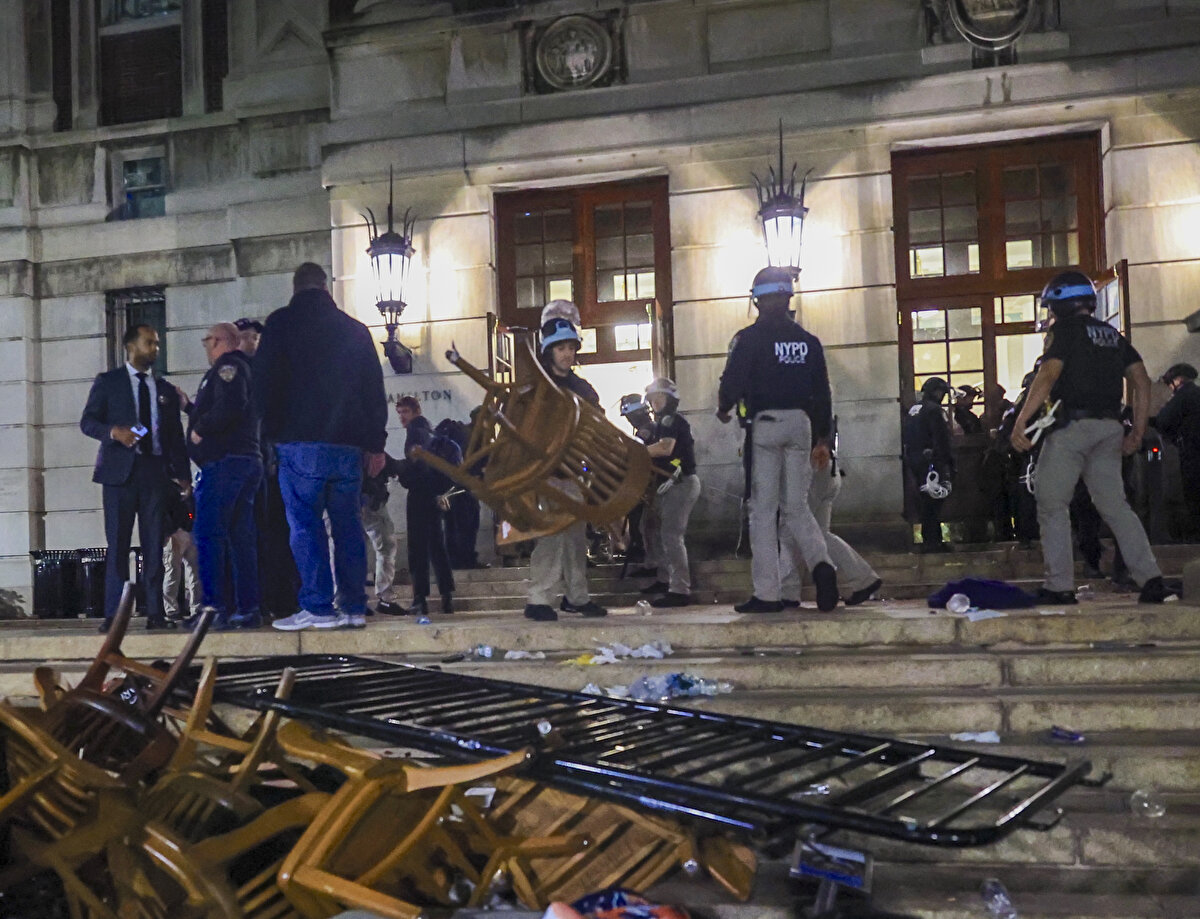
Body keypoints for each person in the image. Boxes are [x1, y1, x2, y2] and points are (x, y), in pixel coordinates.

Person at [1010, 271, 1174, 604]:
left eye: (1051, 306)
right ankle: (1151, 580)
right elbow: (1141, 381)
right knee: (1116, 507)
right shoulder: (1112, 334)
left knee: (1052, 504)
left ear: (1061, 303)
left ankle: (1059, 586)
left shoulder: (1064, 331)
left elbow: (1049, 374)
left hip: (1073, 428)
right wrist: (1138, 431)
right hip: (1109, 428)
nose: (1050, 314)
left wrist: (1021, 422)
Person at [255, 262, 389, 631]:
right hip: (347, 447)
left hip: (299, 443)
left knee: (305, 525)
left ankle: (318, 606)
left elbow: (263, 386)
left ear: (295, 287)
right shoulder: (356, 330)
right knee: (348, 526)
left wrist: (266, 436)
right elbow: (375, 394)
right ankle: (354, 606)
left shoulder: (280, 324)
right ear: (326, 287)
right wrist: (375, 445)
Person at [717, 266, 839, 613]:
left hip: (766, 425)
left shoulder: (750, 339)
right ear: (788, 299)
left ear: (756, 301)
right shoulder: (809, 342)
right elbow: (822, 394)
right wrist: (822, 439)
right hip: (802, 425)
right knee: (797, 508)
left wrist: (724, 406)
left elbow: (733, 380)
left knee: (762, 511)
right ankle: (822, 565)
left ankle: (767, 593)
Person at [80, 324, 190, 632]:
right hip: (119, 474)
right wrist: (113, 432)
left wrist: (182, 476)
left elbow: (175, 437)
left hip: (155, 472)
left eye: (156, 343)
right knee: (118, 542)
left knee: (155, 543)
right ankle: (115, 614)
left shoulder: (164, 389)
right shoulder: (109, 383)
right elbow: (87, 421)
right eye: (148, 343)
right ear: (131, 346)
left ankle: (155, 612)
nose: (155, 348)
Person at [524, 308, 609, 622]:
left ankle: (576, 597)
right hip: (542, 473)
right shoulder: (535, 387)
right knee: (549, 535)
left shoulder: (583, 389)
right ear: (549, 351)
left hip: (574, 471)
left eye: (571, 347)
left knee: (575, 537)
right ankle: (538, 598)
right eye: (561, 348)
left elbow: (599, 423)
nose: (567, 353)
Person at [184, 323, 263, 630]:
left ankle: (214, 607)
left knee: (208, 535)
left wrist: (200, 429)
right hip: (243, 462)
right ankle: (246, 608)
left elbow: (230, 405)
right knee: (240, 539)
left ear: (218, 341)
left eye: (208, 342)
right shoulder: (245, 369)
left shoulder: (228, 367)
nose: (206, 347)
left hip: (226, 463)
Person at [780, 431, 883, 608]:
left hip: (813, 467)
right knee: (819, 535)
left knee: (791, 530)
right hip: (827, 468)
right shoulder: (818, 407)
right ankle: (864, 579)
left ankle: (789, 592)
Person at [638, 378, 701, 607]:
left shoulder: (672, 421)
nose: (655, 402)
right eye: (653, 399)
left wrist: (636, 452)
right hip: (669, 484)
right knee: (652, 527)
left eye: (660, 397)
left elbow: (666, 448)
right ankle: (665, 579)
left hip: (681, 483)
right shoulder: (662, 424)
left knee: (672, 535)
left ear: (670, 400)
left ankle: (680, 589)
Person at [394, 396, 455, 616]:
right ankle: (447, 596)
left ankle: (420, 598)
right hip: (434, 494)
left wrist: (402, 474)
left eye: (405, 412)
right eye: (399, 412)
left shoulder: (415, 432)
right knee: (437, 547)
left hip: (419, 496)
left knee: (418, 549)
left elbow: (415, 467)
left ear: (415, 411)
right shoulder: (431, 432)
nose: (402, 417)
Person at [904, 377, 955, 553]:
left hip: (916, 462)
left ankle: (930, 540)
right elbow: (941, 439)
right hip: (932, 461)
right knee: (934, 502)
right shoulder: (934, 410)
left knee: (925, 501)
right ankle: (933, 541)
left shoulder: (914, 410)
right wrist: (948, 461)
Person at [1155, 362, 1200, 538]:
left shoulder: (1183, 396)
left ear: (1178, 380)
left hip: (1191, 453)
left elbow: (1163, 421)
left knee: (1193, 496)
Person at [360, 451, 403, 610]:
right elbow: (391, 465)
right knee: (386, 546)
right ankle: (385, 597)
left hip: (351, 500)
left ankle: (353, 600)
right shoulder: (370, 443)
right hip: (371, 501)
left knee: (352, 551)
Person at [162, 485, 199, 623]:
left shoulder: (170, 491)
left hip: (181, 532)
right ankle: (182, 608)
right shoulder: (187, 492)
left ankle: (175, 609)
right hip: (179, 533)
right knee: (181, 573)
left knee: (179, 572)